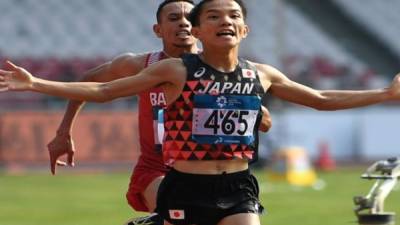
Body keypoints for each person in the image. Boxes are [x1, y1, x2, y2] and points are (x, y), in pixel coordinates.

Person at [2, 0, 399, 224]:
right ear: (192, 30)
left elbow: (320, 98)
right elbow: (102, 88)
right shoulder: (167, 69)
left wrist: (384, 93)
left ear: (243, 30)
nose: (223, 21)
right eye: (212, 16)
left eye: (233, 17)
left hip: (237, 186)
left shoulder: (257, 74)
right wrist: (37, 84)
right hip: (174, 178)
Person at [39, 0, 271, 225]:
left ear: (198, 28)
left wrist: (249, 110)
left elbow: (257, 117)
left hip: (211, 170)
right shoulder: (140, 65)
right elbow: (93, 83)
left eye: (188, 18)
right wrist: (63, 131)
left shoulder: (221, 70)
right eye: (174, 18)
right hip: (157, 168)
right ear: (158, 30)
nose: (183, 23)